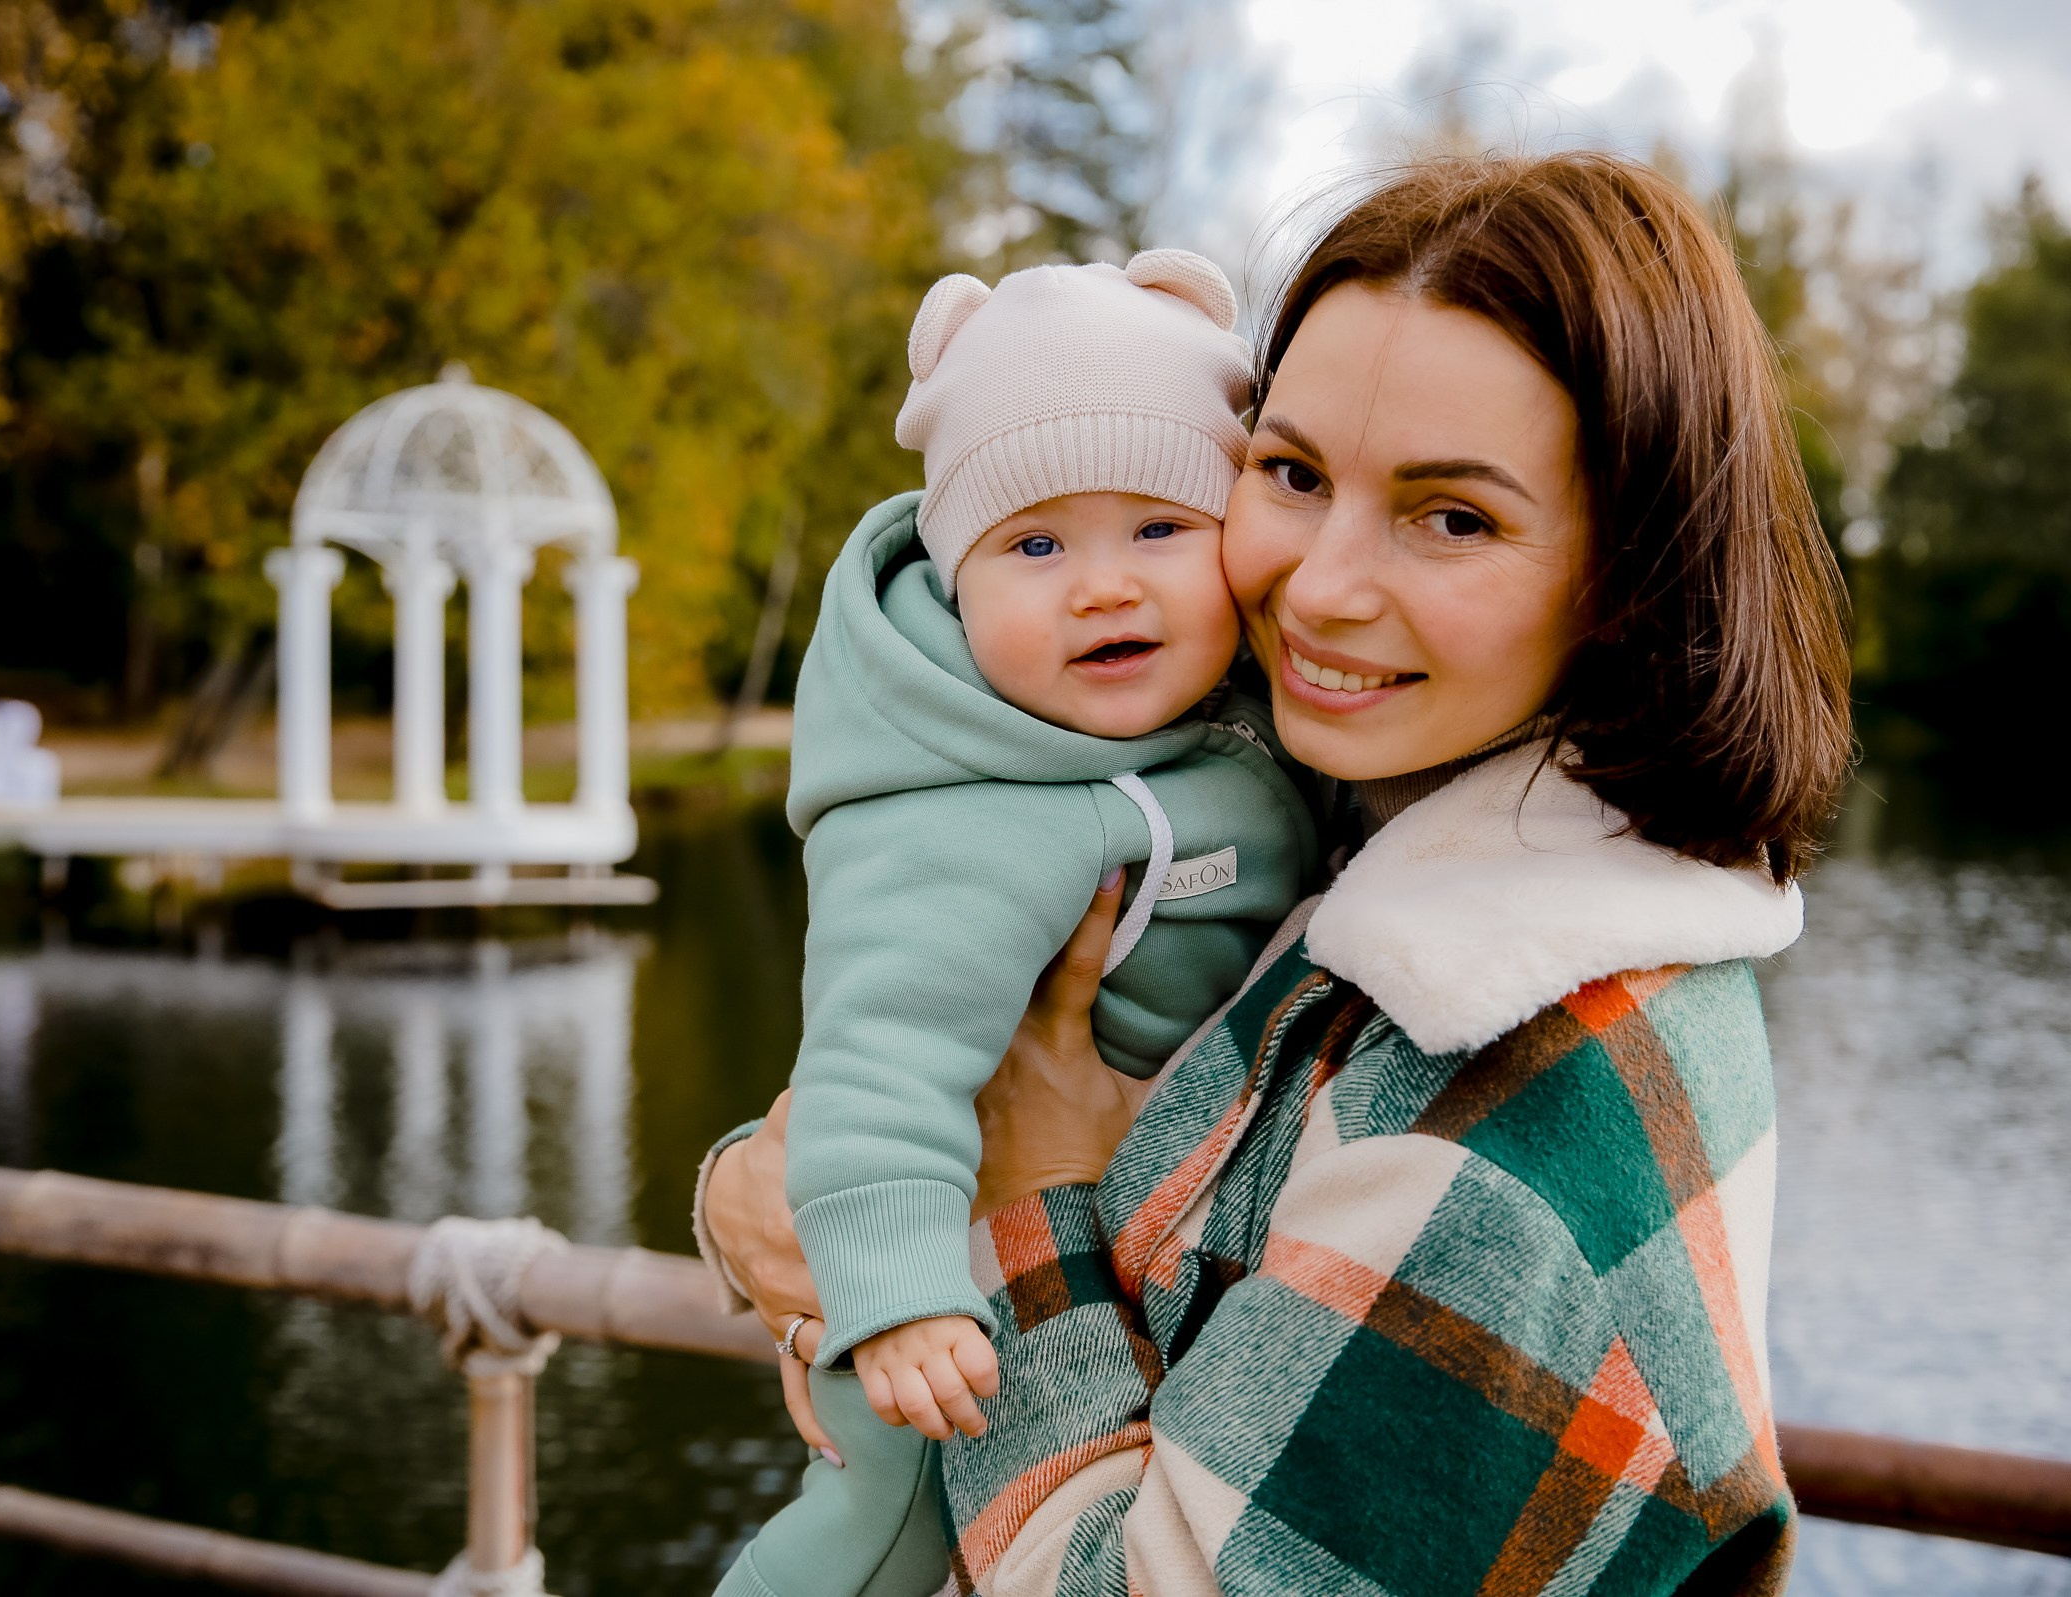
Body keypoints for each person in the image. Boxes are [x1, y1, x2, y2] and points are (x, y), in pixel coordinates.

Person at [702, 149, 1851, 1596]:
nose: (1316, 584)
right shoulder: (1358, 834)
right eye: (1292, 473)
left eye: (1453, 516)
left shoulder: (1514, 1114)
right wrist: (762, 1187)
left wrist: (1021, 1192)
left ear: (1632, 571)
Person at [713, 252, 1319, 1597]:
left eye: (1160, 528)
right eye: (1035, 545)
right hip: (954, 1292)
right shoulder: (968, 808)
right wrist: (900, 1291)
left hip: (1121, 1276)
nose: (1102, 585)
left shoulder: (1214, 736)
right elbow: (882, 1053)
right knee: (871, 1530)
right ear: (955, 576)